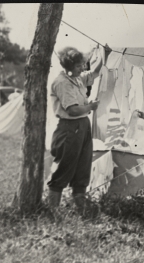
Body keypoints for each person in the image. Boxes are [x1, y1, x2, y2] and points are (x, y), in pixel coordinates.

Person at [46, 45, 111, 212]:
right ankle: (52, 208)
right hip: (69, 127)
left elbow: (93, 74)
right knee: (65, 165)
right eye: (78, 66)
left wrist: (105, 55)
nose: (82, 68)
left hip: (82, 125)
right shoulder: (62, 83)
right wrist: (91, 107)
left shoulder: (76, 78)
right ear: (68, 67)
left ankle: (80, 205)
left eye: (82, 64)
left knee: (83, 165)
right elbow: (72, 109)